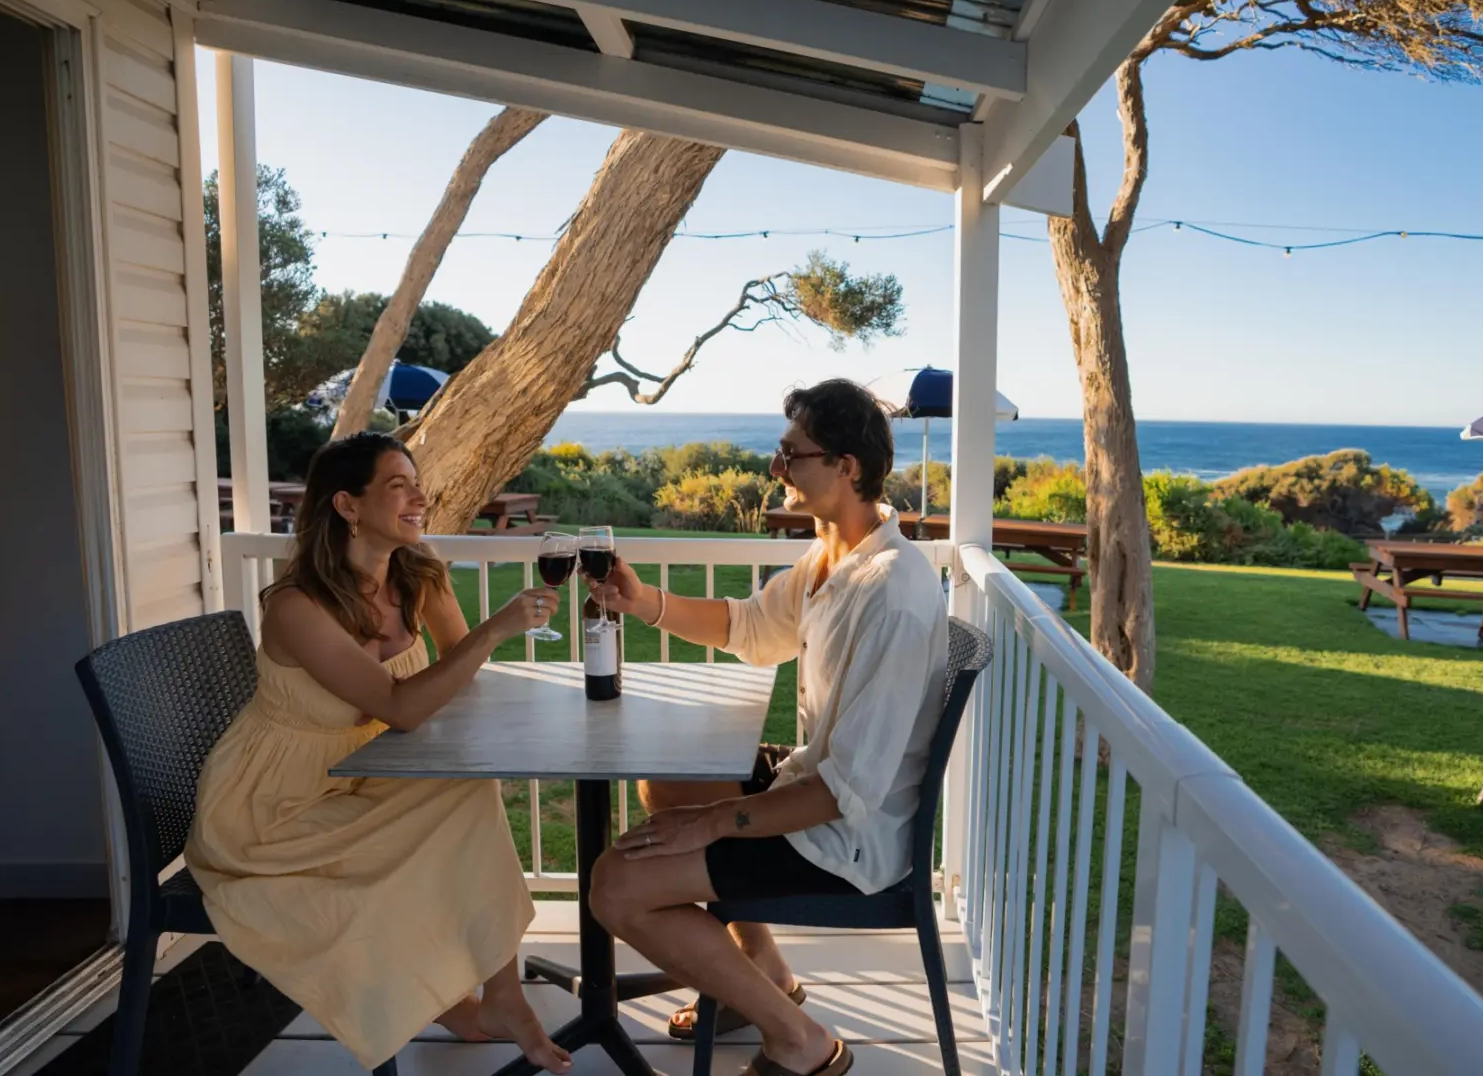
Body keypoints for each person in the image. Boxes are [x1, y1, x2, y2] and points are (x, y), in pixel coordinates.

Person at [587, 379, 949, 1076]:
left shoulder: (892, 595)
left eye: (792, 455)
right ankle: (765, 968)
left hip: (849, 837)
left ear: (846, 467)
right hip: (815, 783)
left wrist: (720, 820)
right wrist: (644, 601)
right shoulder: (830, 559)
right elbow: (749, 627)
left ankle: (800, 1041)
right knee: (666, 778)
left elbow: (847, 790)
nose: (776, 469)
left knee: (615, 887)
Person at [184, 433, 572, 1074]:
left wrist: (478, 651)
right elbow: (401, 706)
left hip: (366, 773)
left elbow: (455, 671)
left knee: (465, 792)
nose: (422, 498)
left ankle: (499, 997)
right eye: (399, 486)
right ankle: (456, 1000)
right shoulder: (297, 607)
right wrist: (498, 627)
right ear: (347, 505)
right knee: (444, 820)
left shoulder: (419, 576)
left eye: (417, 483)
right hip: (275, 805)